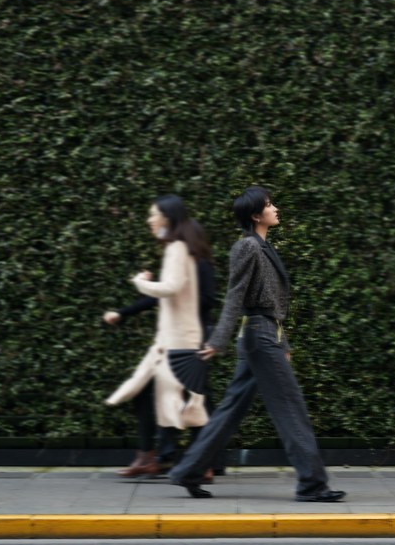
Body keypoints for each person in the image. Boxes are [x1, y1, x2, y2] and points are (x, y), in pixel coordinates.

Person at [169, 186, 345, 502]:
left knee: (230, 410)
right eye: (269, 205)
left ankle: (188, 471)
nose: (275, 208)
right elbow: (235, 296)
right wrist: (218, 340)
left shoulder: (262, 247)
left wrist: (285, 342)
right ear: (255, 215)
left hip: (265, 335)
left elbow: (272, 306)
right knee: (292, 409)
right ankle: (312, 485)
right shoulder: (247, 247)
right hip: (260, 338)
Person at [102, 195, 215, 478]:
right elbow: (165, 296)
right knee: (173, 398)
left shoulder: (189, 257)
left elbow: (183, 294)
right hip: (176, 339)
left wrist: (142, 283)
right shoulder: (178, 253)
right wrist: (125, 312)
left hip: (188, 340)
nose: (150, 220)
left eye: (154, 215)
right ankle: (161, 458)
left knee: (188, 400)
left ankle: (193, 461)